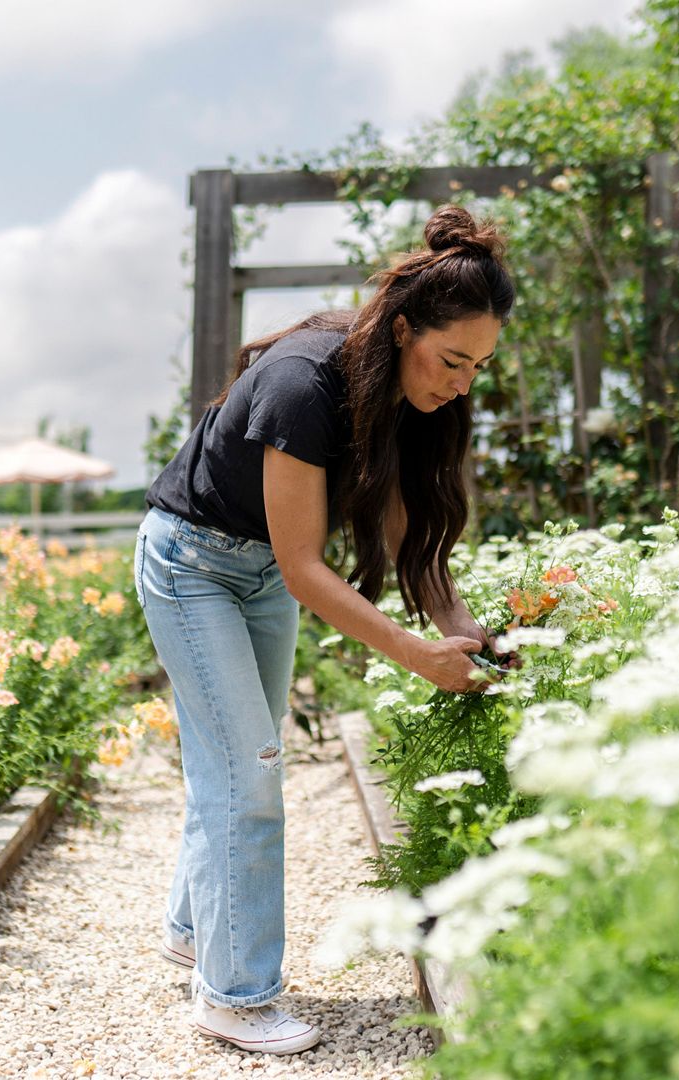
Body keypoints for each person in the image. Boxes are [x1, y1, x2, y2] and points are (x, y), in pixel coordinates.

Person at [132, 204, 517, 1055]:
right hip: (191, 565)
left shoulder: (413, 391)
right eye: (453, 360)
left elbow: (405, 529)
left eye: (479, 367)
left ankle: (194, 932)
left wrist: (458, 622)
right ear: (405, 326)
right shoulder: (306, 383)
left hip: (258, 571)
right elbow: (308, 567)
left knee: (238, 752)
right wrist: (417, 655)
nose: (461, 382)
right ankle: (234, 997)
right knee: (252, 769)